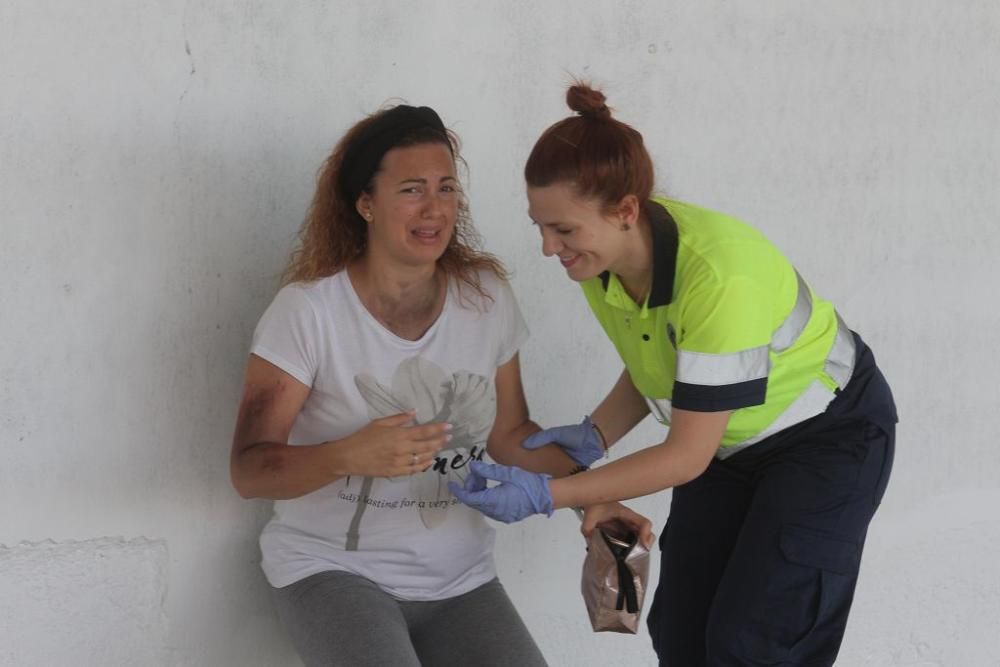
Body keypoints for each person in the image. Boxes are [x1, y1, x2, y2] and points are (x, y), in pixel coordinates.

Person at [450, 83, 897, 666]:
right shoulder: (600, 266)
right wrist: (595, 436)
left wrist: (550, 494)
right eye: (540, 225)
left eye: (563, 229)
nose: (547, 247)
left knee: (754, 646)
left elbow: (685, 455)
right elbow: (661, 362)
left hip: (827, 438)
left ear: (626, 211)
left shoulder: (718, 277)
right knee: (682, 632)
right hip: (729, 441)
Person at [228, 104, 646, 666]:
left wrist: (591, 498)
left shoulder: (486, 296)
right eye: (411, 189)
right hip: (333, 571)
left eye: (447, 187)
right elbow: (249, 470)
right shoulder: (308, 313)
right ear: (365, 203)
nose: (435, 208)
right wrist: (348, 454)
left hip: (461, 581)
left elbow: (510, 434)